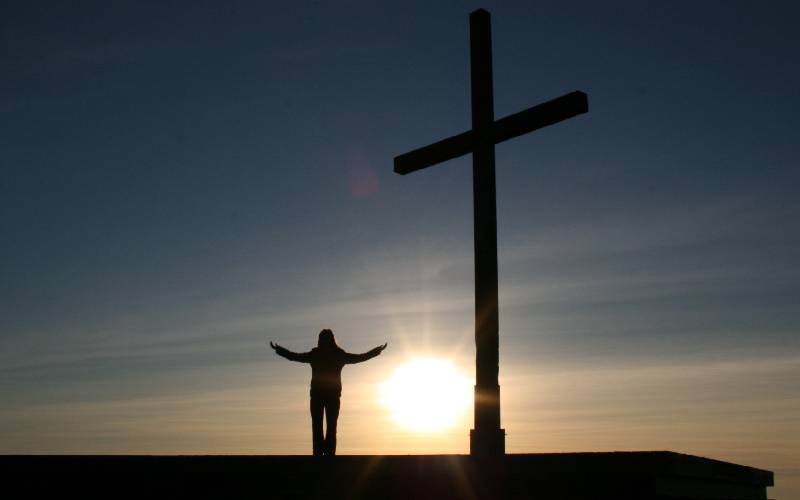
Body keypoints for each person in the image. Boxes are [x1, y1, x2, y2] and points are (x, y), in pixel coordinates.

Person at [270, 329, 387, 456]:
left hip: (332, 396)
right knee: (317, 426)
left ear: (330, 340)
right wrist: (280, 350)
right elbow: (295, 356)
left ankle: (330, 455)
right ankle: (318, 455)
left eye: (326, 338)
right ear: (320, 340)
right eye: (323, 338)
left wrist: (375, 352)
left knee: (331, 427)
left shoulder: (338, 355)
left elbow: (359, 358)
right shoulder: (316, 355)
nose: (324, 341)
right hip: (317, 396)